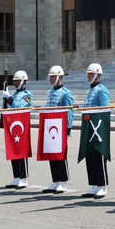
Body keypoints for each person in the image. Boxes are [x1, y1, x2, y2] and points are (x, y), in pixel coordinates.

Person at [81, 63, 110, 199]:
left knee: (99, 156)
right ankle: (94, 184)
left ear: (98, 75)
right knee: (90, 156)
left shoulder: (102, 90)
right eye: (88, 74)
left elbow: (105, 109)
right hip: (89, 126)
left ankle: (102, 186)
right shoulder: (90, 91)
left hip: (98, 128)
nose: (88, 76)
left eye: (91, 74)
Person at [44, 66, 74, 194]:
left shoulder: (66, 93)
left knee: (61, 155)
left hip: (61, 127)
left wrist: (68, 127)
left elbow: (69, 111)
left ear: (59, 77)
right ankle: (55, 180)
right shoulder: (50, 92)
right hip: (51, 127)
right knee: (52, 154)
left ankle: (63, 181)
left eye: (52, 76)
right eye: (50, 76)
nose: (50, 79)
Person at [2, 70, 33, 189]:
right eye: (14, 81)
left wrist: (9, 98)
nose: (15, 83)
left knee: (21, 151)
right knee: (13, 150)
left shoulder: (27, 95)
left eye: (17, 81)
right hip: (12, 125)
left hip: (22, 126)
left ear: (23, 81)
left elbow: (18, 107)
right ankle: (16, 176)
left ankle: (23, 178)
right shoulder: (14, 95)